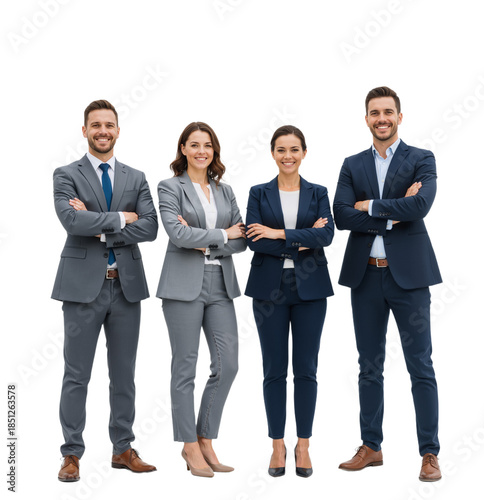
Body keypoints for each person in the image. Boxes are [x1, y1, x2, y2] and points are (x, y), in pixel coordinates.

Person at [333, 86, 442, 481]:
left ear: (400, 116)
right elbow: (342, 216)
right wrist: (396, 212)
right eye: (375, 112)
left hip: (410, 278)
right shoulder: (352, 164)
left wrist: (372, 206)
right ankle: (371, 446)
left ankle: (429, 453)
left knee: (420, 366)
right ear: (366, 118)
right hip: (366, 276)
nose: (382, 118)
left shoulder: (421, 159)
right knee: (369, 366)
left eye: (388, 112)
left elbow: (422, 205)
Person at [52, 100, 158, 482]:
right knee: (76, 374)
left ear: (118, 130)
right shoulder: (65, 174)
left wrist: (95, 222)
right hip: (82, 290)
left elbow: (150, 228)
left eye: (109, 125)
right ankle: (71, 454)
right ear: (84, 130)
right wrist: (120, 217)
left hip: (126, 289)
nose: (102, 131)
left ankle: (123, 448)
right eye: (95, 125)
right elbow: (70, 220)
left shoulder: (136, 176)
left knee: (124, 374)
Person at [156, 122, 246, 478]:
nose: (201, 151)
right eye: (193, 145)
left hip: (220, 283)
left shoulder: (226, 192)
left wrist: (203, 237)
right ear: (182, 149)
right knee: (185, 367)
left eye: (207, 145)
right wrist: (223, 234)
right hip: (182, 285)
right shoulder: (169, 187)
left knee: (228, 365)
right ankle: (188, 444)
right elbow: (176, 234)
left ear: (214, 151)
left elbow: (244, 240)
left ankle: (206, 437)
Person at [245, 125, 334, 478]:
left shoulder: (318, 192)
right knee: (274, 369)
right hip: (269, 289)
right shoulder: (258, 192)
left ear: (304, 153)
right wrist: (302, 237)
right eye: (281, 149)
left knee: (306, 370)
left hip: (310, 289)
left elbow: (326, 235)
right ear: (272, 153)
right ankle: (277, 444)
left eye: (294, 149)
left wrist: (279, 234)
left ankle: (304, 444)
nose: (288, 156)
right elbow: (254, 239)